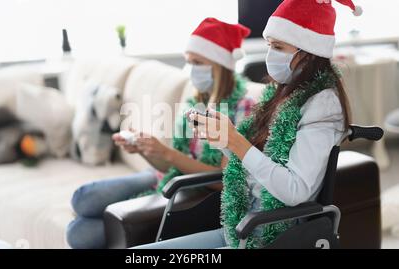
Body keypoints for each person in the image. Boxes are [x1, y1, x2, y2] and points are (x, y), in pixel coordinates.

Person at [134, 0, 361, 249]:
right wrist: (224, 140)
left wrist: (237, 142)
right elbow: (255, 166)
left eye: (278, 46)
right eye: (269, 46)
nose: (269, 54)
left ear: (308, 50)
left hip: (266, 234)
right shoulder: (281, 94)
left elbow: (295, 191)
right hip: (240, 227)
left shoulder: (323, 104)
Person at [66, 17, 255, 249]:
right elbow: (170, 163)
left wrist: (167, 154)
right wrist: (146, 150)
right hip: (169, 177)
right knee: (82, 198)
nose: (192, 70)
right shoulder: (194, 102)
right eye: (189, 62)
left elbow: (225, 180)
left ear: (220, 64)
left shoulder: (242, 107)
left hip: (196, 192)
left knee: (80, 233)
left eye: (198, 62)